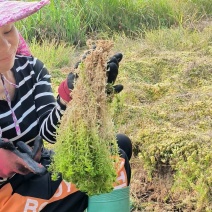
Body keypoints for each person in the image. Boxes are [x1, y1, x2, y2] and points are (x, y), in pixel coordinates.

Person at [0, 0, 132, 211]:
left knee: (118, 147)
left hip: (37, 167)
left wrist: (77, 95)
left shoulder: (32, 70)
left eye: (8, 31)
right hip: (5, 191)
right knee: (115, 166)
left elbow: (50, 134)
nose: (6, 46)